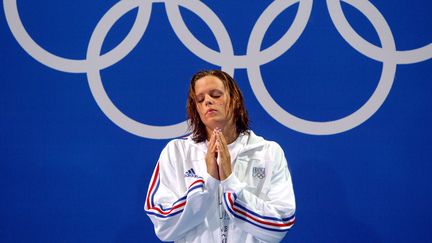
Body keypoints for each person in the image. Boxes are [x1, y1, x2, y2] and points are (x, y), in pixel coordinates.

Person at [144, 70, 296, 242]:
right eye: (200, 100)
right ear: (197, 110)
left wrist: (230, 181)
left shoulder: (268, 152)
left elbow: (279, 225)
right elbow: (164, 225)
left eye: (216, 95)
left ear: (235, 100)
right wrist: (209, 183)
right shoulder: (176, 152)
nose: (208, 101)